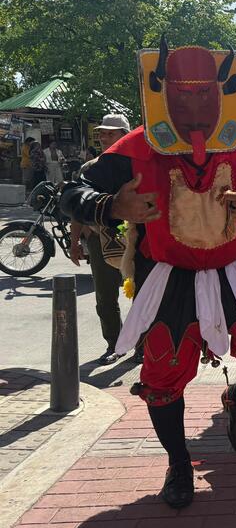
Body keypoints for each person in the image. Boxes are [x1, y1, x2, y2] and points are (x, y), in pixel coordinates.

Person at [61, 37, 236, 509]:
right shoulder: (137, 146)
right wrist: (108, 204)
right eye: (182, 94)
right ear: (163, 94)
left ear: (221, 93)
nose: (194, 104)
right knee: (162, 380)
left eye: (204, 92)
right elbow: (66, 191)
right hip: (169, 276)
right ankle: (179, 464)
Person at [69, 114, 132, 365]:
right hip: (97, 237)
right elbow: (78, 208)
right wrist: (75, 242)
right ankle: (114, 344)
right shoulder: (90, 169)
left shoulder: (137, 166)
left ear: (124, 136)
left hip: (134, 238)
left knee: (143, 294)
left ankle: (143, 343)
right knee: (105, 297)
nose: (104, 137)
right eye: (103, 133)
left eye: (111, 133)